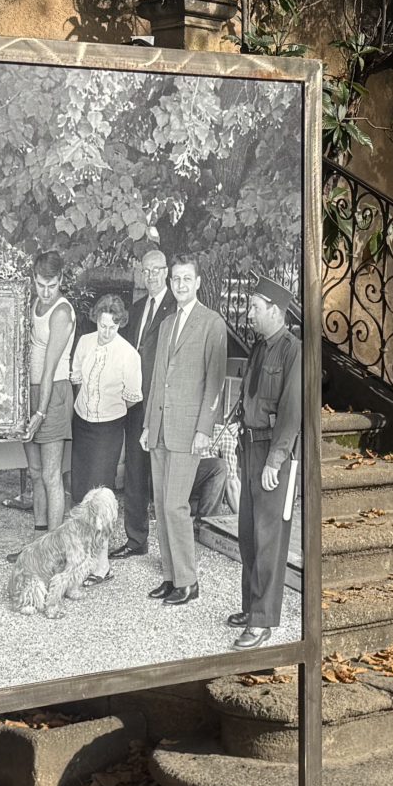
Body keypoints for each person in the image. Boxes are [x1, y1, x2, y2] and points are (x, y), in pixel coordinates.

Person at [139, 256, 227, 608]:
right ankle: (170, 576)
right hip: (160, 426)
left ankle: (188, 581)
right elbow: (158, 379)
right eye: (175, 279)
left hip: (189, 430)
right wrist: (147, 424)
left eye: (186, 279)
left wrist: (205, 429)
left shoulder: (212, 323)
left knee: (176, 505)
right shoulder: (166, 325)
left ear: (198, 281)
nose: (180, 284)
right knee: (161, 504)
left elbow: (215, 382)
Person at [230, 279, 306, 648]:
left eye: (254, 307)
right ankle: (250, 606)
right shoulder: (261, 347)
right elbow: (252, 397)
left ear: (275, 310)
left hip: (273, 452)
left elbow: (292, 414)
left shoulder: (294, 351)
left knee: (268, 539)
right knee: (248, 533)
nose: (249, 313)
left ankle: (262, 622)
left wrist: (275, 461)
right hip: (250, 448)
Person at [117, 243, 173, 557]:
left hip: (162, 403)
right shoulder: (136, 309)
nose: (151, 276)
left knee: (162, 475)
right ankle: (136, 540)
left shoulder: (176, 308)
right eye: (146, 271)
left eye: (156, 270)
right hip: (136, 402)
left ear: (166, 272)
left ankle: (168, 549)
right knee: (135, 471)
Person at [19, 250, 76, 531]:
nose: (45, 291)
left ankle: (54, 549)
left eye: (51, 285)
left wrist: (40, 412)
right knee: (36, 472)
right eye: (40, 284)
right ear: (34, 278)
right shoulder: (34, 304)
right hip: (31, 394)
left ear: (60, 279)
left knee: (52, 475)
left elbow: (50, 370)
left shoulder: (62, 311)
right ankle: (39, 543)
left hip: (52, 395)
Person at [67, 292, 143, 506]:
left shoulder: (129, 355)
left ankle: (99, 537)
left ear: (120, 324)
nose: (107, 332)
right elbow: (78, 380)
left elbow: (132, 398)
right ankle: (79, 536)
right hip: (82, 424)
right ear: (96, 319)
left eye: (112, 327)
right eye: (103, 325)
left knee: (99, 491)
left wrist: (108, 408)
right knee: (80, 486)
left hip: (108, 430)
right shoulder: (84, 342)